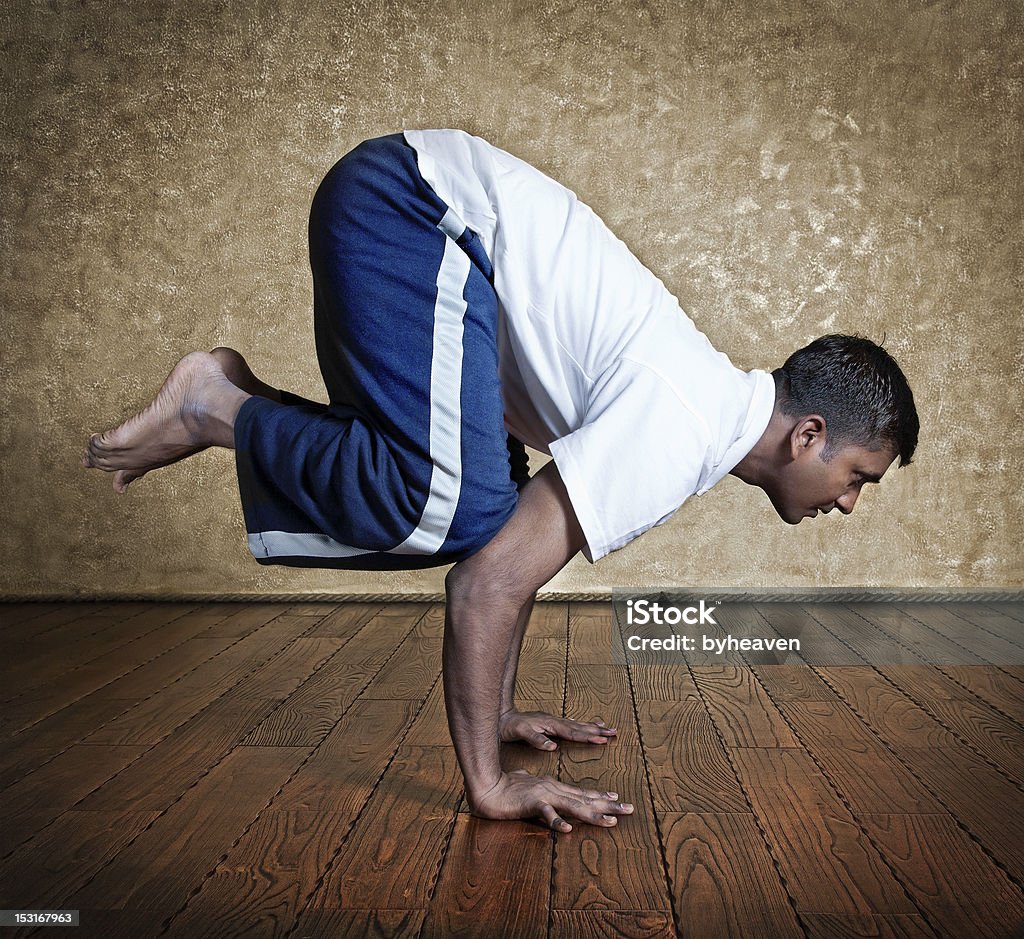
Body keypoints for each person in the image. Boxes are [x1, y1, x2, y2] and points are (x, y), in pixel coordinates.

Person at [84, 129, 919, 834]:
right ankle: (213, 407)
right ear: (809, 435)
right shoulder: (687, 424)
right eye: (856, 478)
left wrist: (501, 712)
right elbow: (486, 587)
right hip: (412, 210)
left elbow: (508, 551)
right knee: (451, 506)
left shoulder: (694, 407)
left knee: (483, 507)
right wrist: (490, 780)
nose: (847, 502)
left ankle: (235, 403)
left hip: (404, 211)